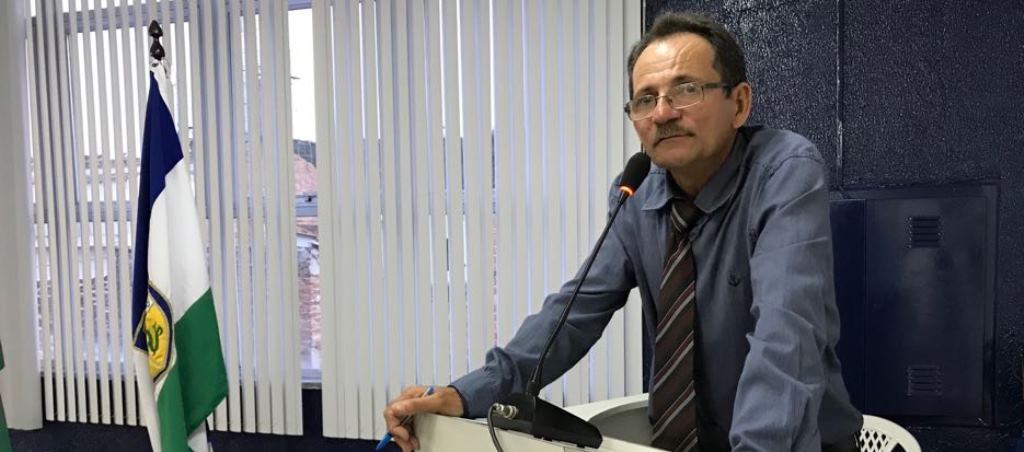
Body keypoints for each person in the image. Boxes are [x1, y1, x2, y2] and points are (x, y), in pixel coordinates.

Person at [382, 11, 863, 452]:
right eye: (645, 99)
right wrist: (463, 395)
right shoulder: (636, 195)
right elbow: (571, 315)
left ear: (739, 103)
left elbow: (785, 337)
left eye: (686, 90)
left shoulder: (784, 172)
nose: (662, 113)